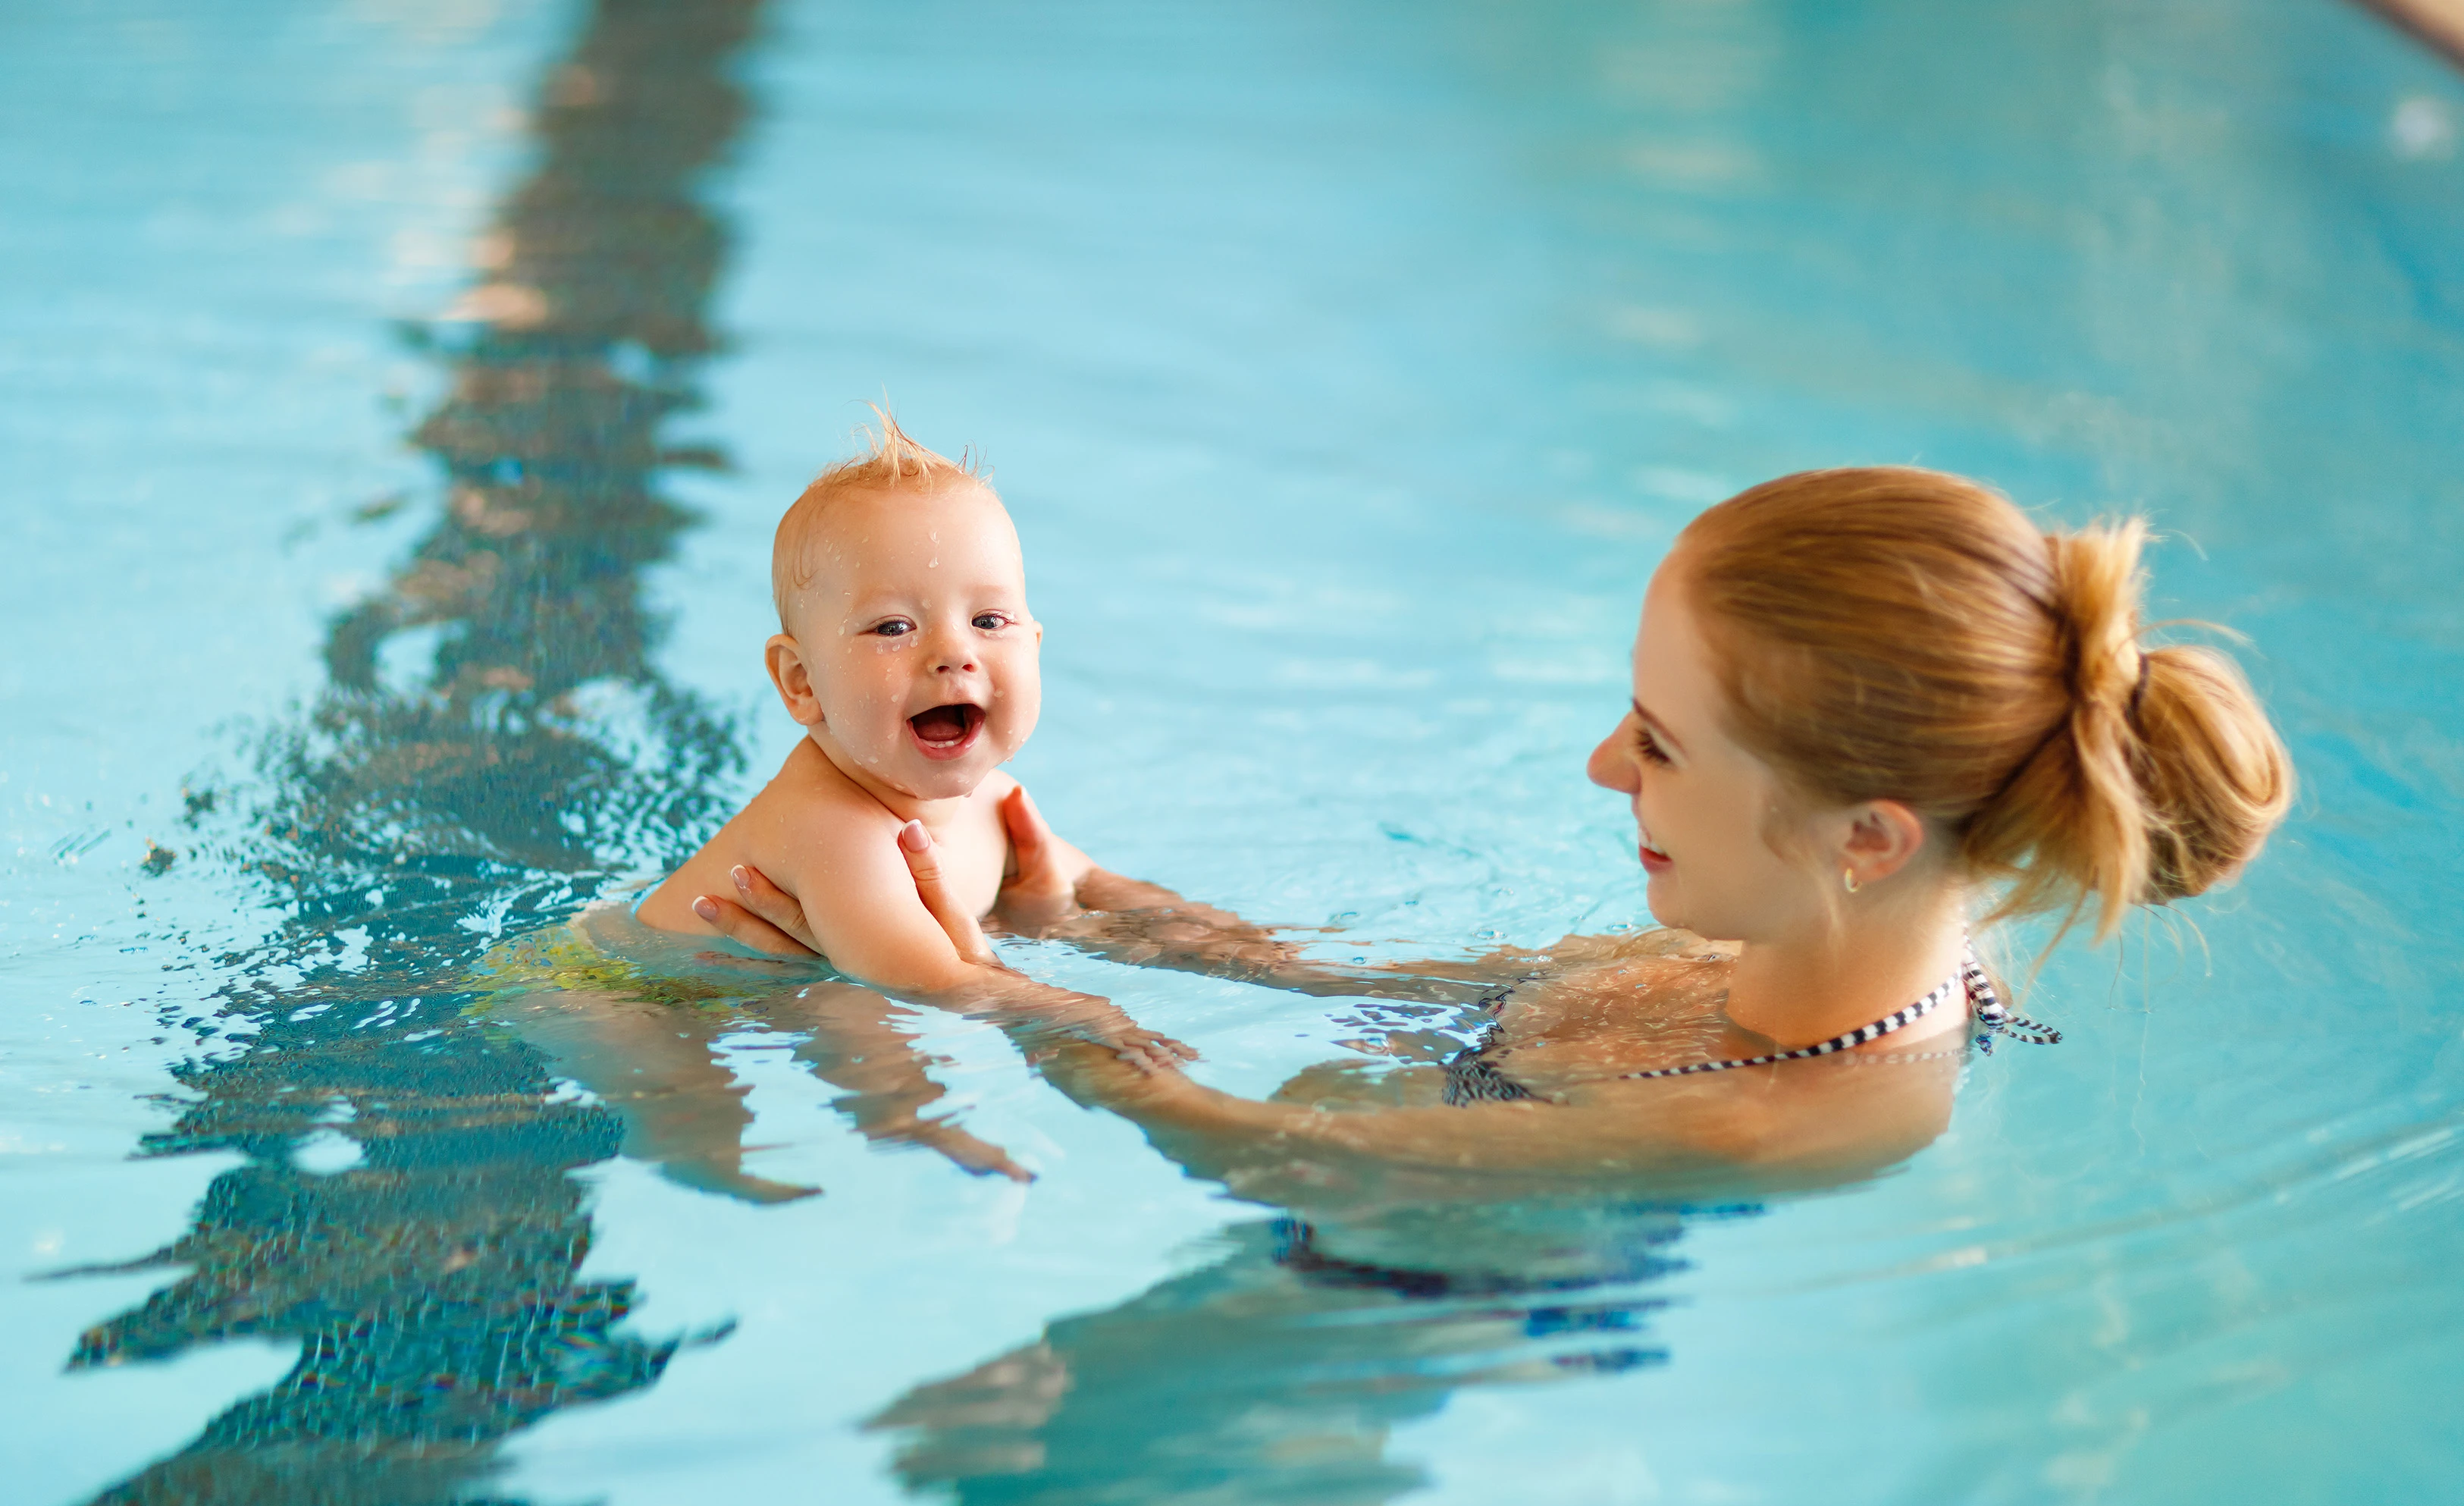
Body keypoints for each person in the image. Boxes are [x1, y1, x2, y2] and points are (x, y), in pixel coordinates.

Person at [702, 465, 2294, 1198]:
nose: (1602, 764)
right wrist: (1093, 913)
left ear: (1864, 836)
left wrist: (1044, 1024)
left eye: (1659, 743)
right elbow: (1381, 984)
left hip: (1390, 1317)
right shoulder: (1799, 940)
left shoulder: (1785, 1115)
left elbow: (1270, 1153)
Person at [468, 416, 1180, 1198]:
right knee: (692, 1098)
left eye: (988, 620)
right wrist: (1082, 1011)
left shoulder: (994, 799)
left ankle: (894, 1115)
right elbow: (925, 979)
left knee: (844, 1006)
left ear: (1035, 644)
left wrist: (1276, 961)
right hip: (606, 990)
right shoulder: (833, 826)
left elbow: (1106, 896)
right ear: (800, 683)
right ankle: (845, 1132)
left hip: (754, 974)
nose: (953, 651)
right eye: (893, 627)